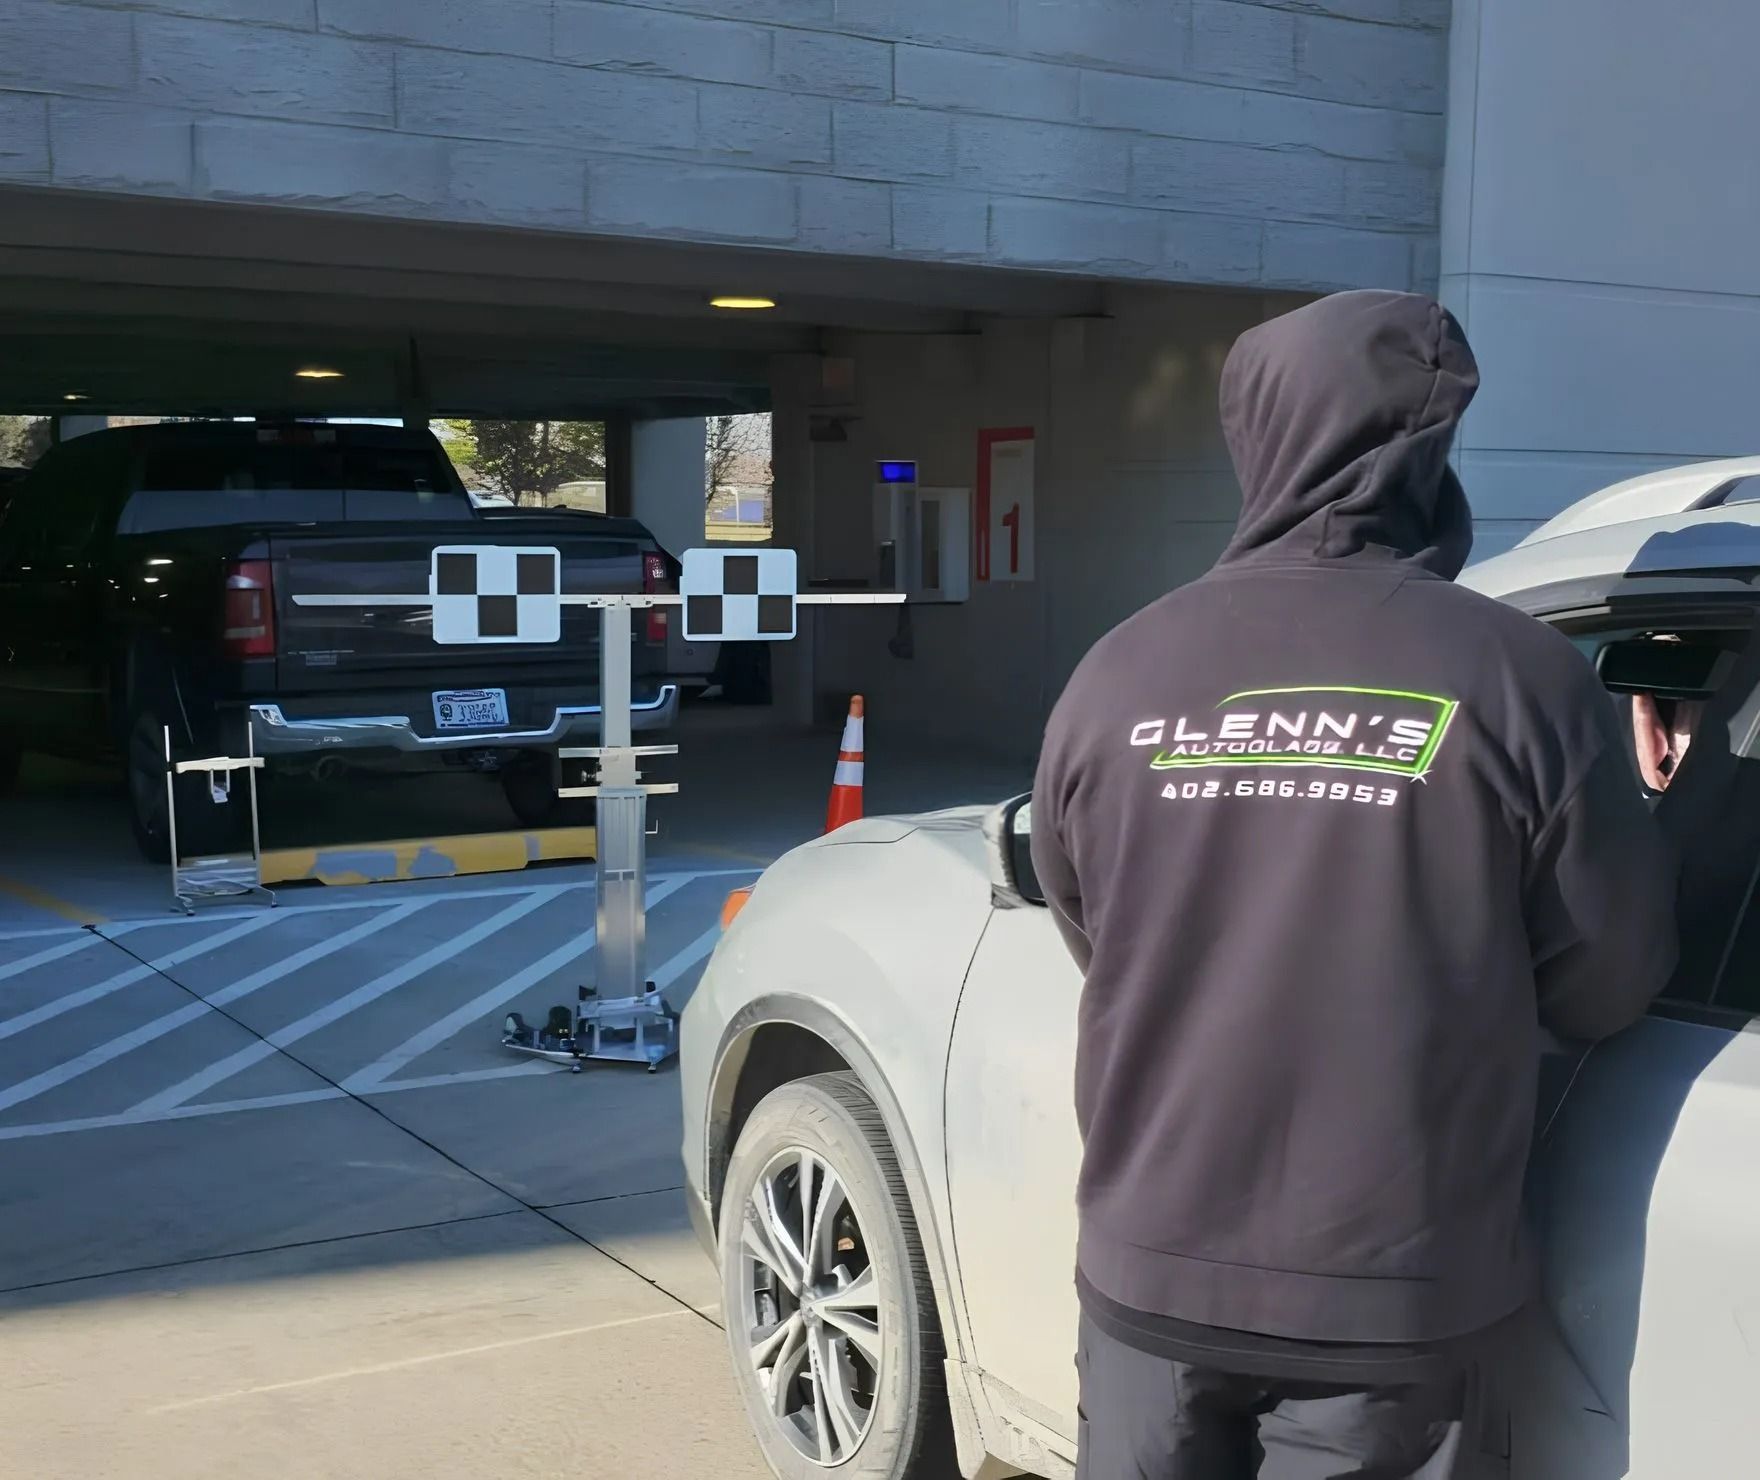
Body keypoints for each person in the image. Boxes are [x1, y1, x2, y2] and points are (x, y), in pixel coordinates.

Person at [1031, 290, 1678, 1480]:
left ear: (1254, 434)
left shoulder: (1118, 669)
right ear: (1429, 450)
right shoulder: (1521, 681)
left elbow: (1092, 925)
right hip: (1392, 1298)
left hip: (1148, 1274)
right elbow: (1607, 980)